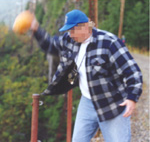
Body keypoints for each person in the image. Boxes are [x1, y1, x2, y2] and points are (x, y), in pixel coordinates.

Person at [30, 9, 143, 142]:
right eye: (68, 31)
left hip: (113, 104)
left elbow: (132, 71)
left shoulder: (109, 42)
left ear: (84, 27)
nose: (70, 35)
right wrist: (36, 29)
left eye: (72, 31)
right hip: (87, 103)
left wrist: (132, 97)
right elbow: (50, 44)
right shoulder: (70, 41)